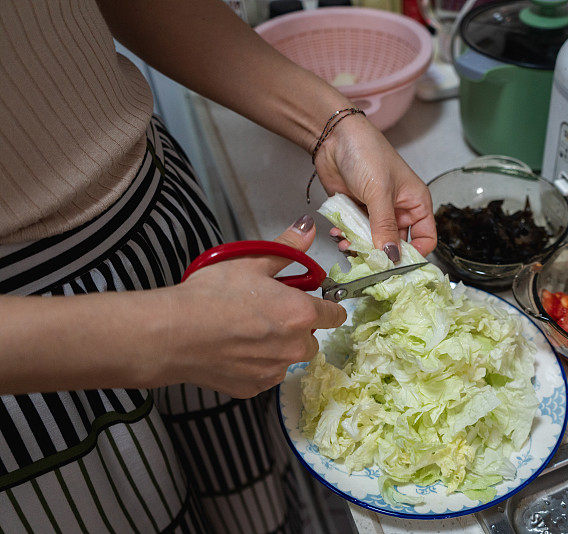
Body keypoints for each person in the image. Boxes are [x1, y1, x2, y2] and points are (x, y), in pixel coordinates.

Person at [0, 1, 436, 532]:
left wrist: (333, 125)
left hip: (158, 225)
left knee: (242, 496)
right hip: (31, 368)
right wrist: (162, 336)